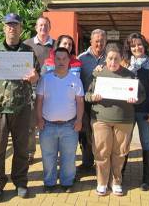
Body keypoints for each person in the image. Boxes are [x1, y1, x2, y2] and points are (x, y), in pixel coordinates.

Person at [0, 13, 40, 203]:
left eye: (15, 25)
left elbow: (36, 75)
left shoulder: (28, 52)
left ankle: (20, 182)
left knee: (21, 148)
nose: (12, 28)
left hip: (21, 107)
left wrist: (33, 78)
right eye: (8, 25)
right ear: (4, 28)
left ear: (21, 28)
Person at [85, 43, 146, 196]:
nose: (113, 62)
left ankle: (116, 182)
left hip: (124, 120)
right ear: (105, 58)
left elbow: (142, 95)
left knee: (120, 153)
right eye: (110, 58)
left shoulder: (130, 75)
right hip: (101, 119)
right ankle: (102, 182)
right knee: (101, 152)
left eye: (116, 59)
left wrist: (135, 99)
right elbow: (86, 95)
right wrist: (93, 97)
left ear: (121, 58)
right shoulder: (97, 74)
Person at [36, 47, 84, 193]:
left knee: (69, 157)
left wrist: (79, 120)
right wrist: (39, 119)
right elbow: (39, 101)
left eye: (64, 59)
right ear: (53, 60)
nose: (61, 61)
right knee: (48, 157)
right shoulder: (45, 79)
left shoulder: (75, 80)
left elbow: (80, 102)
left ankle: (67, 182)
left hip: (69, 126)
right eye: (58, 58)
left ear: (69, 60)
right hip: (47, 126)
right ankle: (49, 183)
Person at [122, 32, 149, 191]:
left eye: (139, 44)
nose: (136, 48)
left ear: (144, 45)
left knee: (147, 143)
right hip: (126, 112)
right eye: (133, 45)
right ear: (129, 48)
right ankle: (119, 176)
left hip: (146, 111)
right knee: (123, 143)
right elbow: (112, 77)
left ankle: (147, 179)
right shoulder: (125, 63)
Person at [23, 16, 55, 164]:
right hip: (32, 89)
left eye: (46, 25)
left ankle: (51, 152)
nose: (43, 28)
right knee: (30, 124)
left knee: (51, 123)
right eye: (40, 25)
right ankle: (30, 152)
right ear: (36, 27)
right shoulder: (26, 45)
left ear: (50, 27)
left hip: (52, 90)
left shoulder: (56, 45)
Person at [77, 29, 107, 173]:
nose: (99, 43)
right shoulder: (81, 58)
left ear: (105, 42)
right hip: (86, 102)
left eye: (102, 41)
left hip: (105, 103)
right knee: (85, 132)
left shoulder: (111, 58)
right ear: (91, 42)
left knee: (102, 134)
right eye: (96, 41)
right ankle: (87, 162)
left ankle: (101, 163)